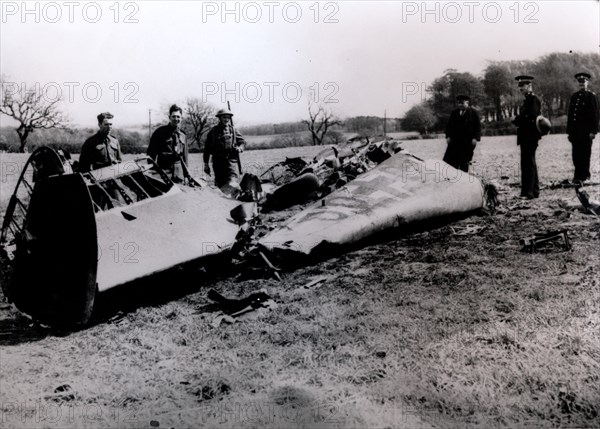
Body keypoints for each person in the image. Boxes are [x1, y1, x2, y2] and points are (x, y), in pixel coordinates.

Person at [512, 75, 541, 199]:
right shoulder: (528, 100)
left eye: (522, 86)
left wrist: (516, 119)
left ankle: (528, 192)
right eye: (519, 87)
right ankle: (534, 190)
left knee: (527, 163)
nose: (520, 89)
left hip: (530, 136)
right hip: (527, 136)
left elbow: (531, 117)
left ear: (529, 86)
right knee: (530, 162)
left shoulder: (532, 100)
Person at [567, 72, 599, 184]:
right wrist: (569, 132)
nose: (582, 84)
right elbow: (571, 115)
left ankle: (585, 176)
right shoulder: (574, 97)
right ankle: (577, 176)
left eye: (583, 82)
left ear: (587, 83)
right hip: (575, 132)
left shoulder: (591, 97)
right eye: (580, 82)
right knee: (576, 155)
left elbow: (595, 115)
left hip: (586, 132)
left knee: (585, 154)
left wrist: (593, 131)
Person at [203, 108, 246, 188]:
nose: (226, 119)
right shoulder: (213, 131)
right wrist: (206, 164)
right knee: (220, 186)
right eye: (224, 117)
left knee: (232, 184)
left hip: (231, 163)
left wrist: (240, 148)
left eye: (228, 117)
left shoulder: (233, 130)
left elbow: (242, 142)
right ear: (219, 118)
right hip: (218, 163)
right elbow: (207, 149)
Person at [147, 104, 188, 182]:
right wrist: (153, 171)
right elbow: (151, 154)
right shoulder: (159, 132)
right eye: (174, 116)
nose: (176, 119)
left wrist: (186, 175)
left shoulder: (183, 135)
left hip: (179, 174)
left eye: (178, 117)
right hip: (163, 173)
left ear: (181, 118)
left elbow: (185, 158)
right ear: (169, 117)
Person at [443, 95, 481, 172]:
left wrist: (475, 138)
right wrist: (448, 137)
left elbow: (478, 127)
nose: (460, 105)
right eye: (459, 103)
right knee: (451, 162)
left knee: (464, 162)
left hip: (467, 142)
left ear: (467, 103)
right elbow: (449, 126)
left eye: (462, 103)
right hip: (455, 142)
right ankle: (451, 178)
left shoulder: (473, 113)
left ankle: (464, 178)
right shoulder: (454, 113)